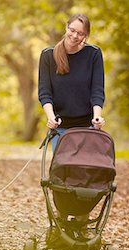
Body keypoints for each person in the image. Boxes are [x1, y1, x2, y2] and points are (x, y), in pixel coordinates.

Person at [38, 13, 106, 152]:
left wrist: (97, 117)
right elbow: (45, 92)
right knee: (61, 171)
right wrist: (51, 117)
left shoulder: (93, 54)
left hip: (87, 127)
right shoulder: (48, 55)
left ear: (86, 35)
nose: (75, 36)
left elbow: (97, 90)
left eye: (80, 33)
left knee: (85, 171)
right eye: (72, 30)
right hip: (60, 127)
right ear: (66, 28)